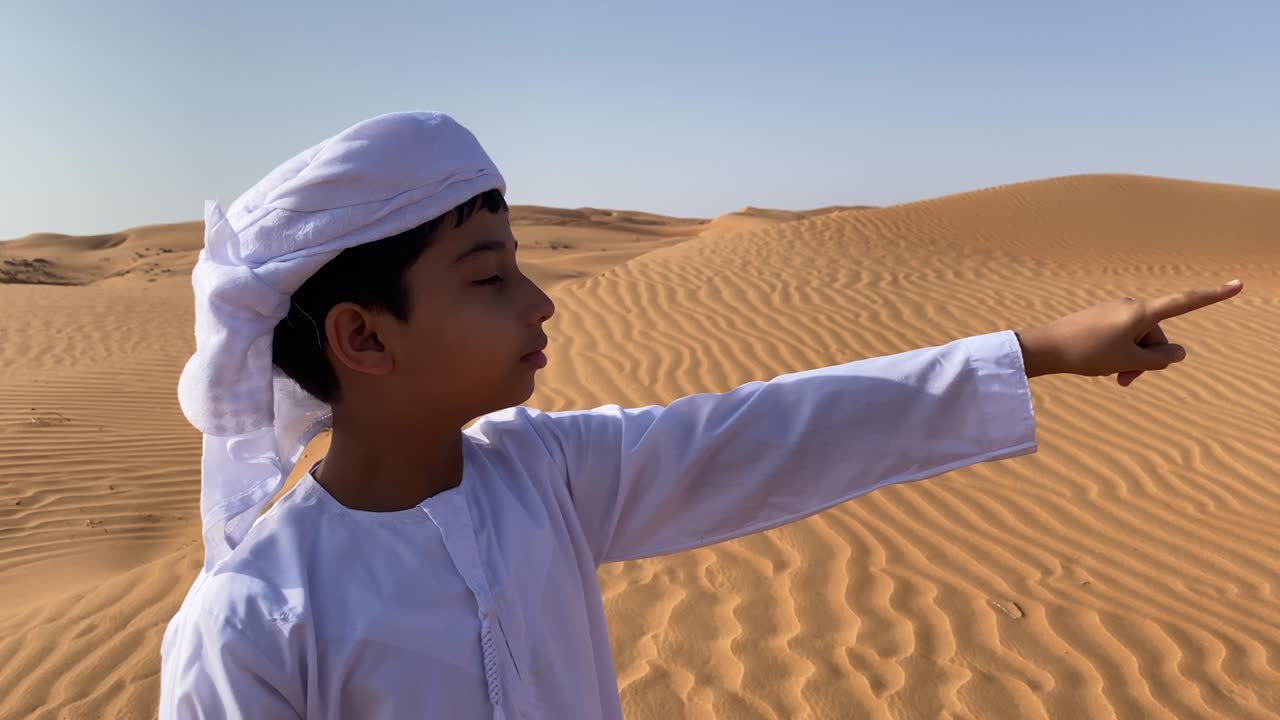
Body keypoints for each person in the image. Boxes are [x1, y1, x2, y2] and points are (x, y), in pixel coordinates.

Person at [157, 111, 1243, 719]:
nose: (539, 302)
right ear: (363, 338)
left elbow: (777, 430)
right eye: (487, 279)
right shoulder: (253, 624)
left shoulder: (545, 477)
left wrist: (1040, 351)